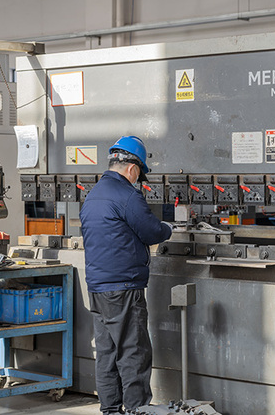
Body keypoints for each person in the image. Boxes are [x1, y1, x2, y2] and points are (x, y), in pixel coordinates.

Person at [79, 135, 173, 414]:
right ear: (133, 168)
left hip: (97, 288)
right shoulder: (127, 195)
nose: (138, 181)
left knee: (107, 354)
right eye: (139, 175)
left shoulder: (93, 195)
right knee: (133, 353)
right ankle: (137, 411)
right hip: (123, 289)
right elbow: (152, 232)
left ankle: (110, 410)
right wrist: (169, 227)